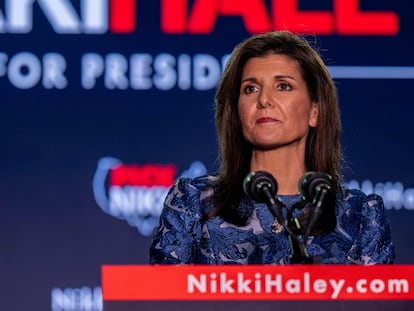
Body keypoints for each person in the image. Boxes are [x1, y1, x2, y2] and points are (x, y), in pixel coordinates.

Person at [149, 30, 395, 264]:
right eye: (251, 89)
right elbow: (162, 301)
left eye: (283, 86)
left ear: (315, 111)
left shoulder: (361, 214)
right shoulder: (193, 201)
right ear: (237, 111)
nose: (264, 100)